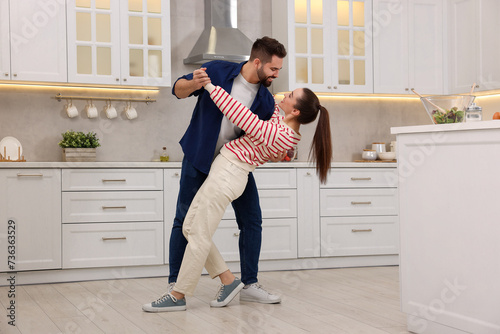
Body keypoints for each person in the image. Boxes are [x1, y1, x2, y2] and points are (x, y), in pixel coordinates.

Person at [142, 78, 332, 312]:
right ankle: (228, 280)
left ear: (295, 110)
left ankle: (178, 295)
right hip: (226, 170)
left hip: (230, 174)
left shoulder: (280, 135)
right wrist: (267, 95)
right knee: (189, 227)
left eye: (290, 95)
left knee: (199, 232)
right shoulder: (283, 126)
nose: (284, 95)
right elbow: (273, 110)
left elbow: (241, 115)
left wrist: (211, 87)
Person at [166, 37, 287, 305]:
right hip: (198, 156)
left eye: (278, 70)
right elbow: (177, 89)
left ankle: (249, 283)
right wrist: (193, 83)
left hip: (234, 164)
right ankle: (175, 282)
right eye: (273, 69)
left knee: (252, 219)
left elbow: (265, 139)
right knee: (184, 219)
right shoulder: (218, 71)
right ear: (257, 62)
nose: (276, 75)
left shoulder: (266, 101)